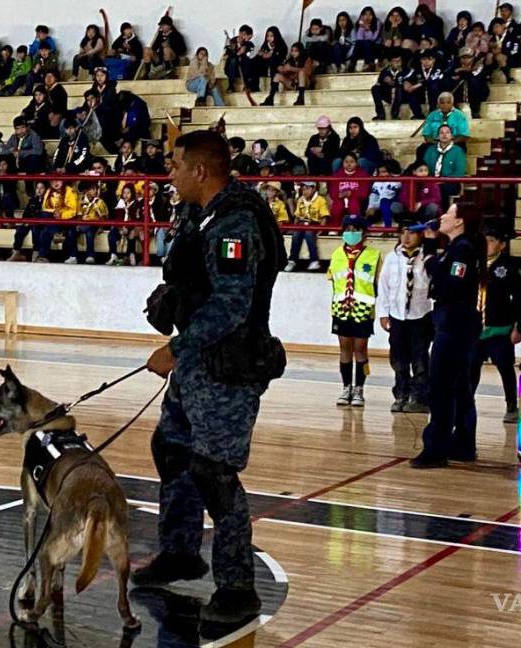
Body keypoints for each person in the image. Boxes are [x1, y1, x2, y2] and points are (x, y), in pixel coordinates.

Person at [137, 129, 285, 626]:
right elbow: (193, 280)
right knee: (172, 450)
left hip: (228, 367)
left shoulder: (235, 223)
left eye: (176, 166)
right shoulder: (201, 215)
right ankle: (179, 552)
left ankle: (238, 587)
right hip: (198, 364)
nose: (170, 174)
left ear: (200, 170)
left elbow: (231, 305)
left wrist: (175, 349)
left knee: (214, 474)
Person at [411, 203, 484, 469]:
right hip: (455, 319)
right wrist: (432, 248)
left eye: (449, 213)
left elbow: (451, 283)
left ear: (460, 221)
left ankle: (436, 448)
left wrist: (431, 260)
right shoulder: (457, 247)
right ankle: (463, 443)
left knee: (441, 384)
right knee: (460, 385)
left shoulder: (462, 249)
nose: (442, 216)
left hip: (455, 321)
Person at [468, 226, 521, 425]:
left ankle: (511, 405)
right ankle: (467, 402)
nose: (487, 245)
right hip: (475, 329)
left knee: (505, 367)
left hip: (499, 328)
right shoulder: (473, 263)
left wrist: (519, 326)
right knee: (471, 367)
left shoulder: (508, 268)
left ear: (502, 245)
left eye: (492, 241)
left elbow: (518, 299)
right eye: (484, 240)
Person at [378, 220, 434, 412]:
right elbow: (384, 287)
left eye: (411, 233)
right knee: (398, 358)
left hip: (421, 315)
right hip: (397, 315)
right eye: (403, 232)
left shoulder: (427, 257)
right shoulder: (392, 258)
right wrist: (383, 313)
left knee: (420, 358)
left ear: (420, 235)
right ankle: (401, 394)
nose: (406, 237)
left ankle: (419, 397)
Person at [328, 215, 381, 407]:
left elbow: (377, 281)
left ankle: (360, 388)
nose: (351, 233)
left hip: (363, 308)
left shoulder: (374, 255)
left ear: (364, 233)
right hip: (342, 307)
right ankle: (346, 387)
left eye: (356, 229)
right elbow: (334, 281)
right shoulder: (336, 254)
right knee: (344, 348)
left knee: (361, 348)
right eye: (348, 229)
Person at [285, 181, 329, 272]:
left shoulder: (320, 200)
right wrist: (294, 227)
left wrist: (321, 230)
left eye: (308, 189)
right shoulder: (301, 200)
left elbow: (324, 217)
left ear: (314, 188)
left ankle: (314, 260)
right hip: (302, 223)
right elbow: (297, 216)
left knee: (309, 233)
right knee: (296, 234)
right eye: (303, 189)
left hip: (315, 223)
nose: (305, 191)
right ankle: (292, 260)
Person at [264, 42, 315, 106]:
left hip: (305, 83)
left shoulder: (307, 59)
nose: (293, 53)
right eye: (292, 51)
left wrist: (291, 68)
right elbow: (285, 71)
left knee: (301, 73)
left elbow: (308, 71)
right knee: (277, 76)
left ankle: (301, 98)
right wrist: (282, 69)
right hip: (293, 83)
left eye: (296, 51)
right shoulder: (290, 60)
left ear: (300, 51)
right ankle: (270, 98)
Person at [144, 15, 188, 79]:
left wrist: (170, 46)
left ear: (169, 26)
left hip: (172, 59)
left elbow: (183, 50)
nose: (162, 27)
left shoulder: (177, 36)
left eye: (164, 25)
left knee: (166, 49)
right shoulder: (160, 35)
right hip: (160, 59)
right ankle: (147, 72)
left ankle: (168, 70)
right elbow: (154, 48)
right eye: (161, 25)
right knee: (147, 50)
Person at [371, 51, 407, 120]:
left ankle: (395, 114)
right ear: (390, 62)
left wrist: (393, 82)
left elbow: (405, 84)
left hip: (402, 95)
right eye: (395, 61)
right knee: (375, 88)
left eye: (399, 61)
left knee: (399, 89)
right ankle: (380, 114)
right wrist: (385, 82)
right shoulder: (384, 72)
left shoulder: (405, 71)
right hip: (388, 94)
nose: (398, 63)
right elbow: (379, 83)